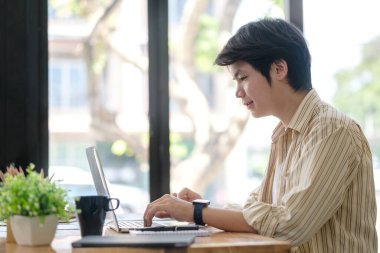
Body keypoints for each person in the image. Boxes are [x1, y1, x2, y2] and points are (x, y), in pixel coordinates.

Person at [143, 18, 378, 253]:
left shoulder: (332, 131)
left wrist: (197, 213)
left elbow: (289, 225)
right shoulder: (286, 134)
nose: (237, 92)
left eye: (243, 77)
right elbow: (260, 210)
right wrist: (203, 207)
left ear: (279, 69)